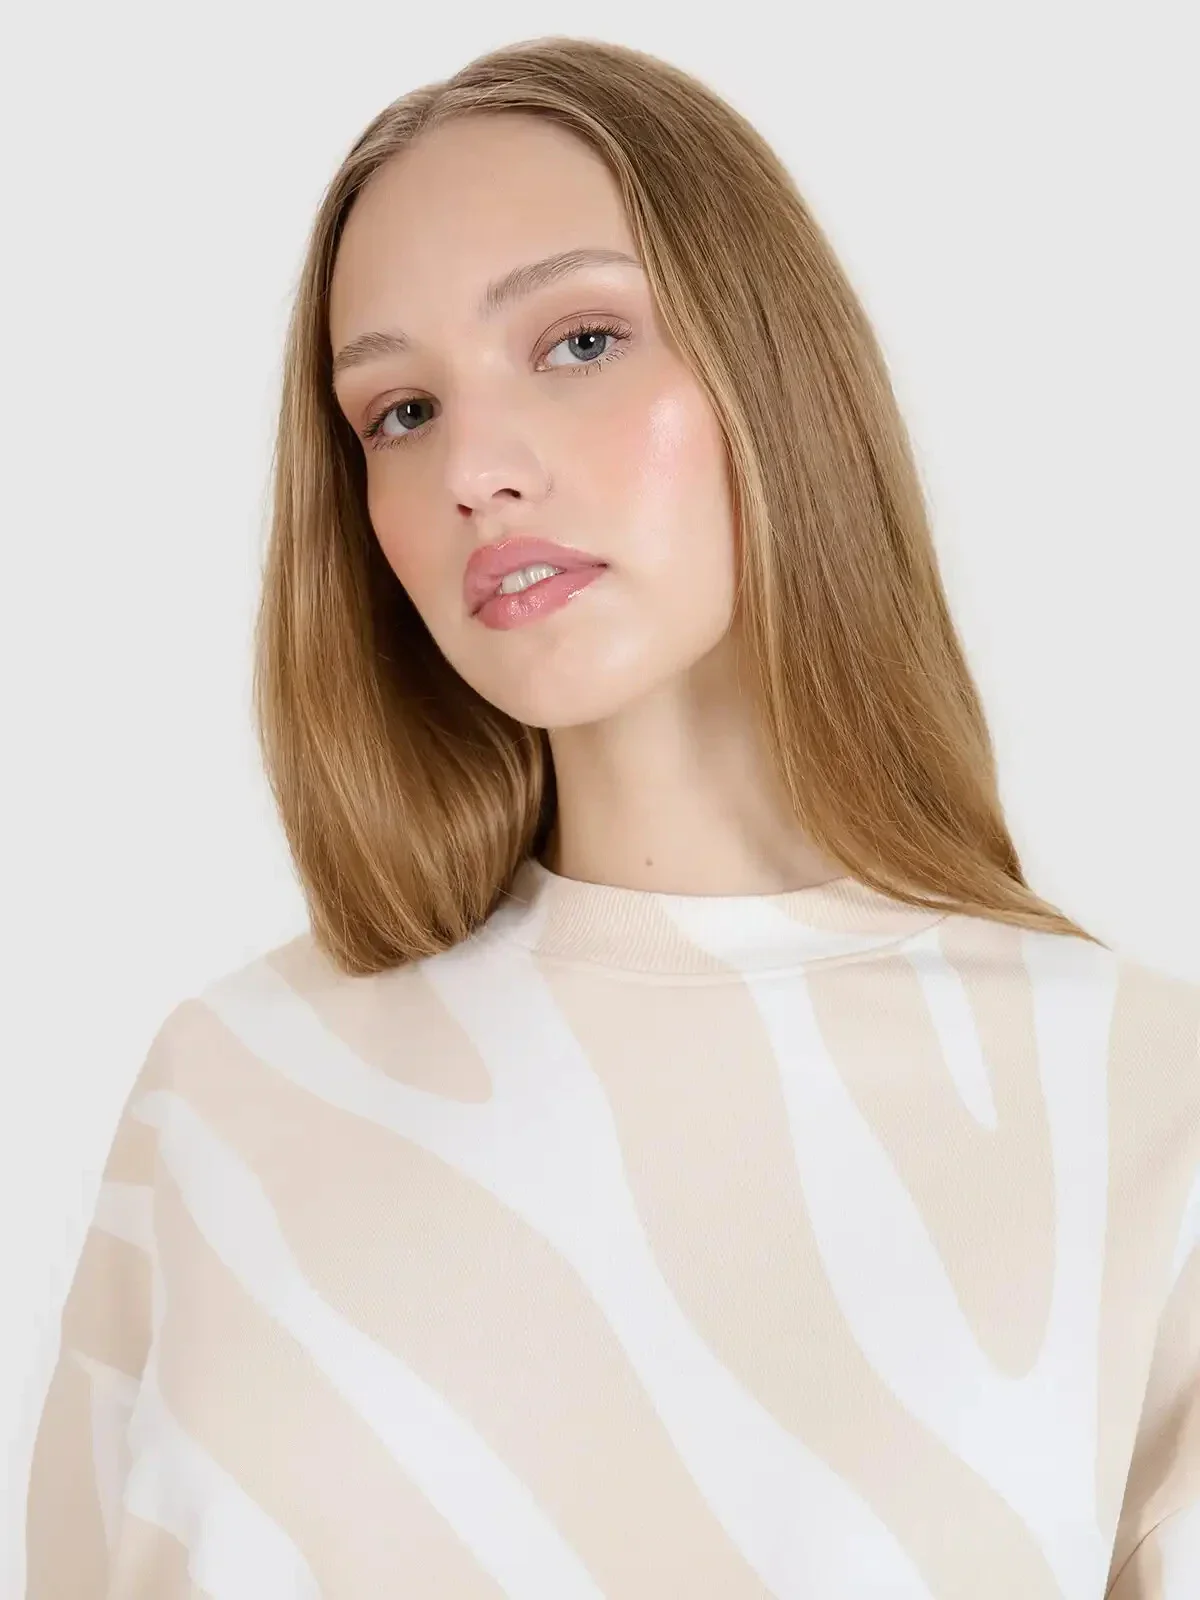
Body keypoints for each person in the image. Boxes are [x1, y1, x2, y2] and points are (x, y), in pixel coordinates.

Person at [24, 33, 1199, 1600]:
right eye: (399, 411)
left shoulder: (1137, 1108)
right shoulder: (231, 1094)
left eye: (580, 341)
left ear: (776, 368)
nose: (475, 470)